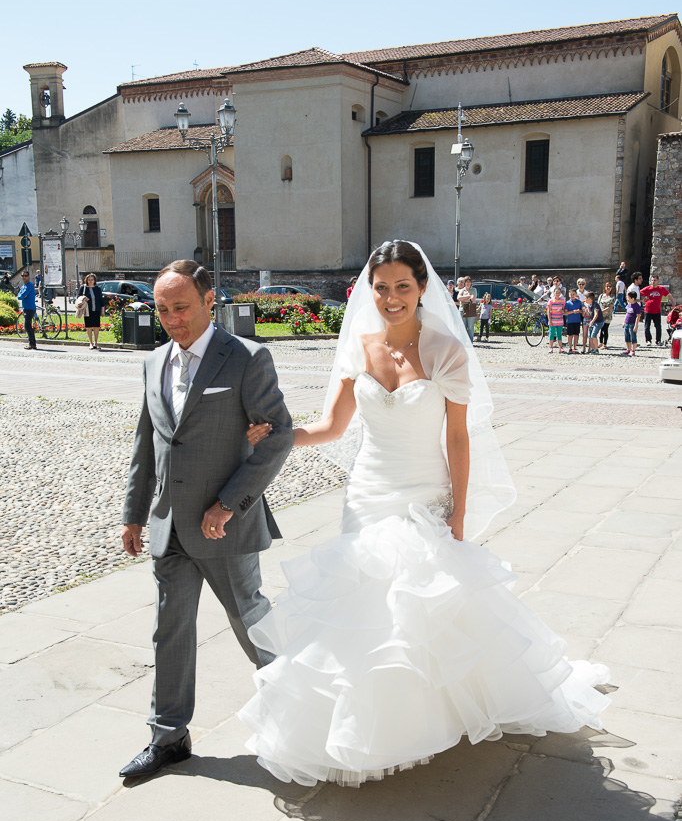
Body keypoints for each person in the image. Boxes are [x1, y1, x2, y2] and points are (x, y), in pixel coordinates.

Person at [239, 240, 610, 788]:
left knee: (418, 614)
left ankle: (429, 718)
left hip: (423, 494)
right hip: (366, 494)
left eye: (402, 287)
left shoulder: (445, 352)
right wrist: (276, 436)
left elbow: (457, 441)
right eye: (382, 288)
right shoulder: (358, 349)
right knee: (362, 611)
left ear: (421, 288)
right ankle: (368, 727)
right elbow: (332, 428)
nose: (391, 298)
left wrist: (459, 514)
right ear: (370, 292)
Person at [118, 260, 293, 779]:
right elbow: (146, 443)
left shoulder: (246, 358)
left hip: (226, 528)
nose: (172, 319)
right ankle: (168, 738)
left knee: (252, 625)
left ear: (209, 300)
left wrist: (228, 504)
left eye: (182, 307)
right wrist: (134, 514)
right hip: (169, 526)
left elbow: (278, 435)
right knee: (168, 631)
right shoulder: (152, 362)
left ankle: (307, 713)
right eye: (164, 309)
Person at [640, 275, 674, 347]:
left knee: (658, 326)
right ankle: (648, 340)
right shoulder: (648, 288)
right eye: (652, 280)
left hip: (657, 311)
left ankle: (658, 340)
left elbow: (668, 294)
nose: (653, 282)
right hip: (648, 310)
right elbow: (639, 293)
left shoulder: (661, 289)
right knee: (647, 326)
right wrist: (642, 299)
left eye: (654, 280)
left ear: (658, 281)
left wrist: (673, 302)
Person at [77, 273, 104, 350]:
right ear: (86, 280)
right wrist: (84, 299)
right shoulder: (83, 288)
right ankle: (91, 343)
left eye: (92, 280)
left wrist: (102, 310)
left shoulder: (97, 289)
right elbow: (78, 297)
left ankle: (96, 343)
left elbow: (101, 300)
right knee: (88, 326)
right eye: (89, 280)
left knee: (96, 326)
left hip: (96, 309)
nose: (90, 281)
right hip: (87, 310)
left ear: (94, 280)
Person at [17, 270, 37, 350]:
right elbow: (19, 296)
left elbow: (23, 295)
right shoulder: (23, 286)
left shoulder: (29, 285)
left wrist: (21, 296)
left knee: (27, 326)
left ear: (28, 276)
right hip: (26, 308)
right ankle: (32, 343)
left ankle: (32, 343)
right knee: (28, 326)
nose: (24, 277)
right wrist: (21, 296)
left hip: (30, 308)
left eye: (25, 276)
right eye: (22, 276)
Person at [546, 285, 566, 353]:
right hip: (553, 320)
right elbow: (548, 311)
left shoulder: (562, 301)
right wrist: (549, 320)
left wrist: (561, 311)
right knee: (551, 334)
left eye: (559, 292)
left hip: (560, 320)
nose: (557, 293)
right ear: (554, 292)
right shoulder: (551, 301)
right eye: (556, 292)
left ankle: (560, 347)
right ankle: (550, 347)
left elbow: (564, 311)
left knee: (559, 334)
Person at [457, 275, 477, 341]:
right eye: (466, 282)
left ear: (471, 282)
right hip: (462, 309)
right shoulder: (462, 290)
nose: (468, 283)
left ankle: (470, 341)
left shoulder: (474, 290)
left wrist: (464, 299)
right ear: (464, 283)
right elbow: (458, 298)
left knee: (470, 327)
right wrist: (468, 297)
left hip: (470, 309)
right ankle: (464, 341)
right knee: (463, 327)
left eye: (469, 282)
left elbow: (473, 298)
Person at [563, 288, 583, 354]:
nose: (572, 296)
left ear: (576, 295)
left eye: (573, 294)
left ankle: (574, 347)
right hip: (570, 321)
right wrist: (572, 312)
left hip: (577, 320)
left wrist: (579, 311)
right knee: (570, 335)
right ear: (569, 295)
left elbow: (582, 310)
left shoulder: (579, 302)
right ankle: (570, 347)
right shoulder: (567, 303)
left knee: (576, 334)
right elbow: (565, 312)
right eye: (571, 294)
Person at [622, 290, 641, 356]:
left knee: (633, 337)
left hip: (632, 323)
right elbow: (627, 314)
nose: (627, 299)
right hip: (627, 323)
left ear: (633, 298)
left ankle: (633, 350)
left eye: (628, 297)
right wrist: (624, 322)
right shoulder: (629, 305)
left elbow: (638, 317)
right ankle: (628, 349)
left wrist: (636, 326)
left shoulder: (637, 306)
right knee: (627, 337)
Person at [598, 282, 616, 347]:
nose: (608, 288)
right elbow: (598, 304)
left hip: (607, 315)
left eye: (610, 286)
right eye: (607, 286)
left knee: (605, 329)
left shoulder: (613, 297)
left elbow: (611, 306)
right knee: (601, 328)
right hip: (600, 315)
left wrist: (602, 311)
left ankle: (604, 343)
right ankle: (600, 342)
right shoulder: (601, 296)